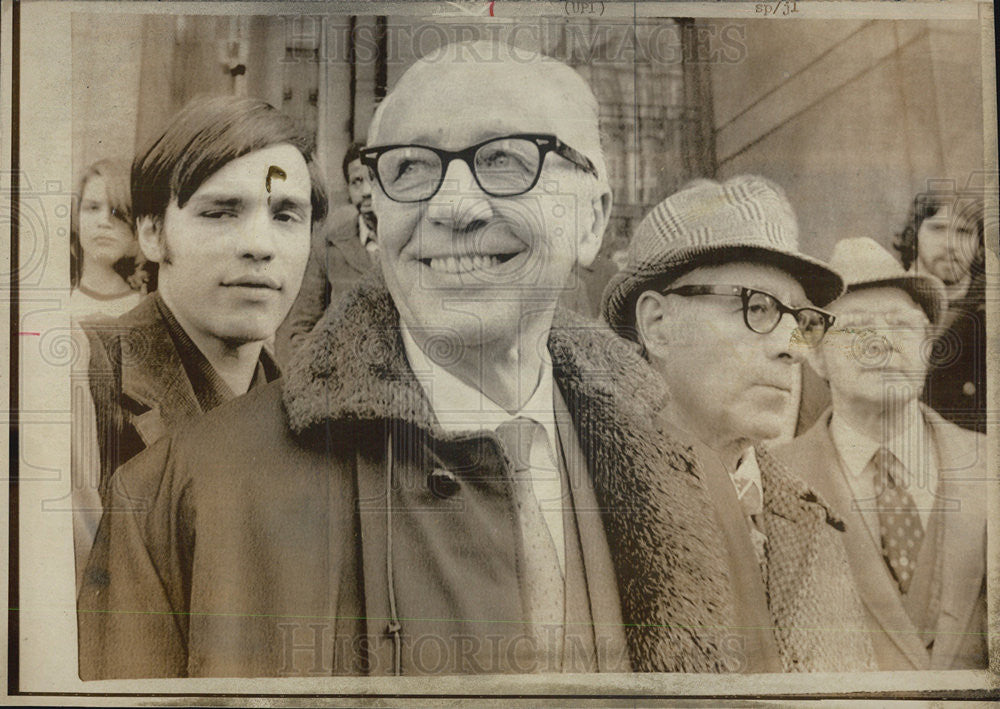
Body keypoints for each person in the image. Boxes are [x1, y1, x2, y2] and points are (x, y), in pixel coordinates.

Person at [78, 41, 734, 678]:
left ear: (592, 219)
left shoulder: (695, 487)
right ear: (376, 218)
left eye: (506, 158)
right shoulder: (171, 495)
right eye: (412, 167)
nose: (450, 206)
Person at [601, 176, 875, 672]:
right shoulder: (590, 507)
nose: (792, 347)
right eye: (759, 307)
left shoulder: (812, 518)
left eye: (801, 320)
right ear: (658, 325)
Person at [72, 95, 327, 574]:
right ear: (152, 234)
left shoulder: (310, 424)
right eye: (221, 212)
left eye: (286, 215)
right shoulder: (84, 379)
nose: (260, 245)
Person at [772, 237, 987, 670]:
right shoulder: (775, 482)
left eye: (902, 325)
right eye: (855, 327)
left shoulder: (991, 464)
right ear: (816, 358)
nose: (881, 342)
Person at [275, 142, 378, 365]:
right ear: (349, 191)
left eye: (373, 179)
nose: (366, 191)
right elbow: (302, 328)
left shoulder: (410, 242)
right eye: (357, 182)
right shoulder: (328, 245)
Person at [894, 189, 986, 432]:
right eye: (938, 229)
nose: (951, 245)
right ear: (914, 235)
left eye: (963, 232)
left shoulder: (988, 317)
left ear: (979, 246)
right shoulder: (883, 300)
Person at [70, 159, 145, 322]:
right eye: (93, 208)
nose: (104, 221)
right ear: (76, 217)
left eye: (117, 212)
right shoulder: (58, 304)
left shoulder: (146, 310)